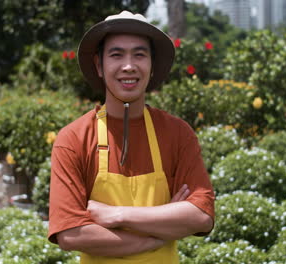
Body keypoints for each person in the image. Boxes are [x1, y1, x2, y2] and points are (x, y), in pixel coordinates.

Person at [48, 10, 215, 264]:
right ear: (99, 65)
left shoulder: (178, 133)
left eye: (139, 54)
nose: (129, 66)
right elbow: (71, 234)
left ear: (152, 64)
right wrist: (157, 236)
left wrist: (118, 216)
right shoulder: (74, 139)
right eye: (116, 55)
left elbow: (201, 215)